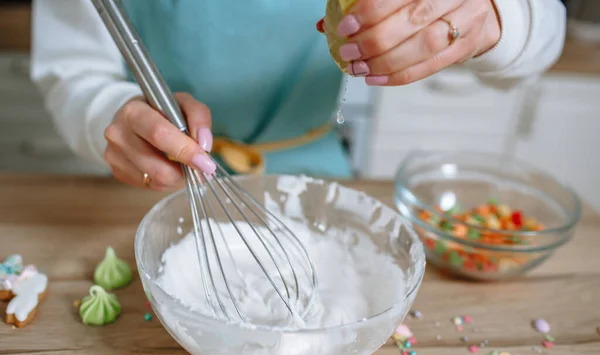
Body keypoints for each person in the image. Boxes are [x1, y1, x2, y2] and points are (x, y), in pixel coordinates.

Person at [31, 0, 566, 191]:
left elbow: (545, 31)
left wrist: (498, 16)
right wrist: (110, 113)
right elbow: (72, 67)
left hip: (312, 174)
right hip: (148, 180)